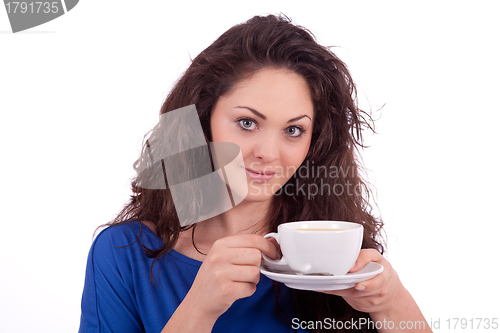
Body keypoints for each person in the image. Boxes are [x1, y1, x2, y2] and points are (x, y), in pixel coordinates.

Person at [78, 14, 431, 333]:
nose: (268, 153)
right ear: (202, 120)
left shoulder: (336, 258)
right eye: (247, 123)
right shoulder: (124, 253)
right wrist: (199, 310)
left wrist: (393, 304)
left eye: (293, 130)